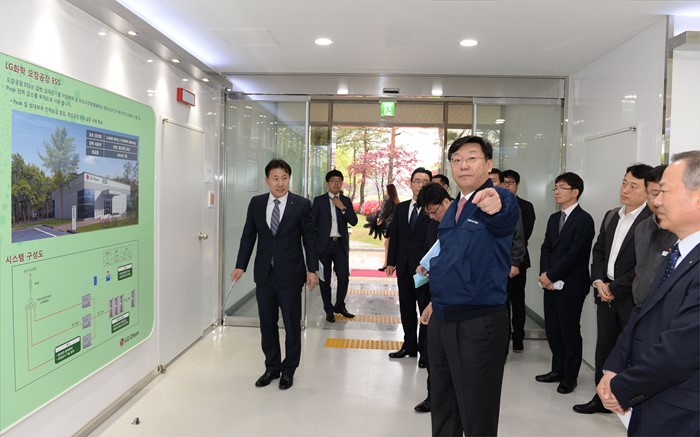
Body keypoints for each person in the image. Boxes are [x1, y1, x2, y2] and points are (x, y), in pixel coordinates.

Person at [419, 136, 519, 436]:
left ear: (489, 164)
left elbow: (504, 212)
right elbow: (449, 259)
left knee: (477, 412)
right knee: (444, 404)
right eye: (457, 159)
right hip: (443, 318)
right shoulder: (454, 208)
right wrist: (435, 301)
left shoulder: (493, 198)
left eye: (472, 158)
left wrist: (499, 199)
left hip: (478, 322)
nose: (463, 165)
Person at [597, 151, 700, 436]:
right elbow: (642, 312)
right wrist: (613, 368)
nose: (656, 201)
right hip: (653, 400)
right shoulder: (676, 251)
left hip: (682, 412)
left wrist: (622, 387)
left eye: (664, 192)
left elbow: (681, 350)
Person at [231, 159, 318, 391]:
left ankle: (289, 370)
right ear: (267, 180)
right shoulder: (257, 203)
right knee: (267, 324)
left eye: (284, 178)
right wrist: (241, 265)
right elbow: (248, 235)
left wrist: (312, 269)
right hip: (264, 275)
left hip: (291, 274)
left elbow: (309, 239)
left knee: (291, 324)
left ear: (290, 179)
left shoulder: (301, 204)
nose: (280, 183)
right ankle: (272, 367)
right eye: (275, 178)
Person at [574, 164, 653, 413]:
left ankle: (626, 403)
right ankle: (601, 399)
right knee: (604, 349)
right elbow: (599, 251)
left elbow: (645, 266)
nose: (625, 189)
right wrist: (598, 282)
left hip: (631, 298)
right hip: (604, 295)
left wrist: (614, 287)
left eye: (634, 186)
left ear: (648, 191)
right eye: (624, 182)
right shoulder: (611, 215)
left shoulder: (652, 221)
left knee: (631, 351)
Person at [536, 172, 595, 395]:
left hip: (571, 285)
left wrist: (552, 275)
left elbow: (575, 254)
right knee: (553, 329)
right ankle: (557, 370)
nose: (557, 191)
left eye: (562, 187)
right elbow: (546, 248)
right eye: (556, 187)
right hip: (550, 283)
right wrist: (545, 274)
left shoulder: (584, 220)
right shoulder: (554, 218)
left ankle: (570, 377)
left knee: (569, 331)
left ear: (575, 192)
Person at [413, 182, 453, 414]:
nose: (432, 217)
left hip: (457, 302)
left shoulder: (464, 222)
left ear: (446, 202)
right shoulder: (440, 222)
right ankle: (434, 397)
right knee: (435, 353)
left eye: (433, 211)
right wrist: (427, 265)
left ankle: (445, 400)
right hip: (437, 295)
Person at [386, 168, 433, 362]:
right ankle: (409, 346)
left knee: (424, 309)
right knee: (406, 308)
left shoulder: (433, 210)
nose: (420, 185)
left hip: (424, 269)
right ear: (410, 183)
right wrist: (390, 262)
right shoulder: (401, 208)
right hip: (404, 267)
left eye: (424, 182)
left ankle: (425, 351)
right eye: (417, 181)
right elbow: (395, 237)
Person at [312, 169, 358, 323]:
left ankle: (339, 305)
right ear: (327, 183)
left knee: (344, 277)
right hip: (324, 246)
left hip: (340, 246)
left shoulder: (346, 201)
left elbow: (354, 221)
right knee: (324, 279)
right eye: (333, 180)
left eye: (339, 181)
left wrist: (342, 207)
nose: (336, 183)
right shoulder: (319, 201)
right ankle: (328, 309)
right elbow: (312, 225)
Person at [489, 168, 526, 357]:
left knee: (503, 308)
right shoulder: (476, 201)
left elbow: (518, 236)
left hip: (503, 265)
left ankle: (502, 349)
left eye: (494, 180)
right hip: (483, 267)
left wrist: (515, 262)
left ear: (502, 184)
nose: (490, 184)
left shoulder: (509, 204)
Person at [631, 165, 677, 306]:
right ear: (646, 194)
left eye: (664, 193)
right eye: (654, 193)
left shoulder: (682, 229)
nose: (658, 200)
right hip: (640, 306)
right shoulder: (641, 228)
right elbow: (639, 269)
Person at [502, 169, 536, 352]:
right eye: (504, 182)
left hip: (518, 260)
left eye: (511, 182)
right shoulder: (495, 203)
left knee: (517, 301)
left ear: (517, 185)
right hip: (499, 261)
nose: (507, 186)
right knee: (502, 302)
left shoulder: (526, 206)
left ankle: (518, 337)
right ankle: (503, 336)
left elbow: (524, 234)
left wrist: (514, 260)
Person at [377, 183, 399, 271]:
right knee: (390, 244)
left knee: (387, 244)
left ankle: (386, 263)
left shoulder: (389, 200)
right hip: (395, 224)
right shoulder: (396, 200)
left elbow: (384, 212)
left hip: (390, 225)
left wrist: (379, 219)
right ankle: (391, 263)